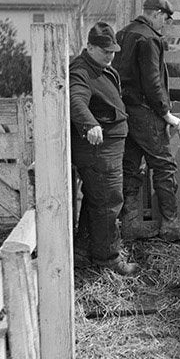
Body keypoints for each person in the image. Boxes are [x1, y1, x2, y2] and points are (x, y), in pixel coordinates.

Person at [115, 0, 180, 241]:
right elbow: (152, 81)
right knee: (164, 166)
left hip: (125, 110)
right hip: (146, 112)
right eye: (165, 20)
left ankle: (129, 225)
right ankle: (170, 226)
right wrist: (166, 113)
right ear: (157, 14)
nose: (165, 25)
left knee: (130, 168)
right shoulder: (149, 39)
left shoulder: (125, 34)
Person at [69, 21, 136, 276]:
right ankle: (108, 258)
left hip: (108, 148)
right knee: (109, 202)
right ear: (89, 47)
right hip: (99, 149)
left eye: (113, 51)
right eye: (105, 50)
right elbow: (76, 99)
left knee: (96, 200)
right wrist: (89, 125)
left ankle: (84, 250)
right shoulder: (81, 71)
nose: (111, 55)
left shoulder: (100, 67)